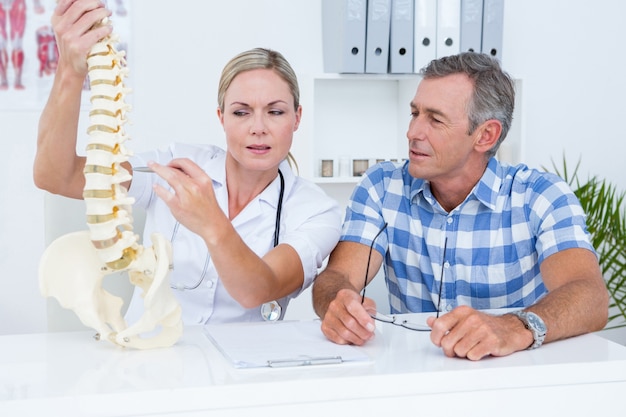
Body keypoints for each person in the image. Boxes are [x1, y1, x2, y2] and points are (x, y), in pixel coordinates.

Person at [34, 0, 342, 325]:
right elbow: (56, 176)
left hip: (240, 371)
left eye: (276, 111)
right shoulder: (175, 165)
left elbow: (258, 290)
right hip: (149, 362)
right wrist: (70, 71)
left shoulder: (316, 211)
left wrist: (210, 221)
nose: (258, 127)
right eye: (241, 112)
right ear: (221, 118)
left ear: (297, 118)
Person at [312, 51, 609, 361]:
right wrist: (336, 303)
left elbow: (590, 296)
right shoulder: (382, 187)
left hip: (513, 380)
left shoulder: (541, 196)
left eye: (435, 119)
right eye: (415, 113)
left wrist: (512, 327)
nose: (413, 132)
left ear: (485, 135)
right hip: (415, 379)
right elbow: (337, 277)